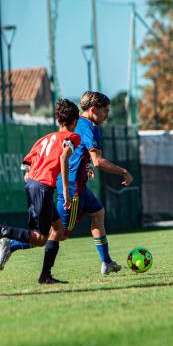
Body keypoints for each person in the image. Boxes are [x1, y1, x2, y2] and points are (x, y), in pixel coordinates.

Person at [0, 99, 81, 284]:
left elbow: (25, 163)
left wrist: (30, 177)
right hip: (43, 187)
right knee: (40, 238)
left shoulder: (44, 139)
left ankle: (45, 276)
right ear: (74, 122)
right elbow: (64, 158)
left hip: (34, 184)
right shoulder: (72, 137)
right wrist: (65, 189)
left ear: (59, 120)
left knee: (58, 229)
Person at [56, 91, 133, 275]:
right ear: (93, 110)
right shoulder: (87, 126)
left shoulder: (85, 124)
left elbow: (80, 152)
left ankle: (106, 262)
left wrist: (86, 164)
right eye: (105, 111)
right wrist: (124, 171)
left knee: (98, 213)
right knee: (58, 234)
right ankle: (13, 243)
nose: (107, 115)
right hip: (73, 188)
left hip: (79, 184)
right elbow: (98, 161)